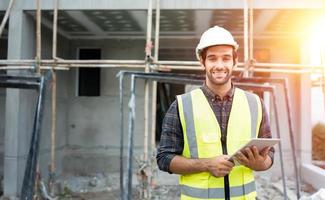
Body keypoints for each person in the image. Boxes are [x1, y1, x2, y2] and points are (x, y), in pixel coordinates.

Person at [156, 26, 274, 200]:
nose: (219, 65)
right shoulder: (182, 105)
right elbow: (164, 159)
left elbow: (270, 155)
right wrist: (206, 164)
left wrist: (260, 163)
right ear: (202, 62)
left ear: (235, 61)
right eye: (212, 58)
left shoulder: (255, 103)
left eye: (226, 58)